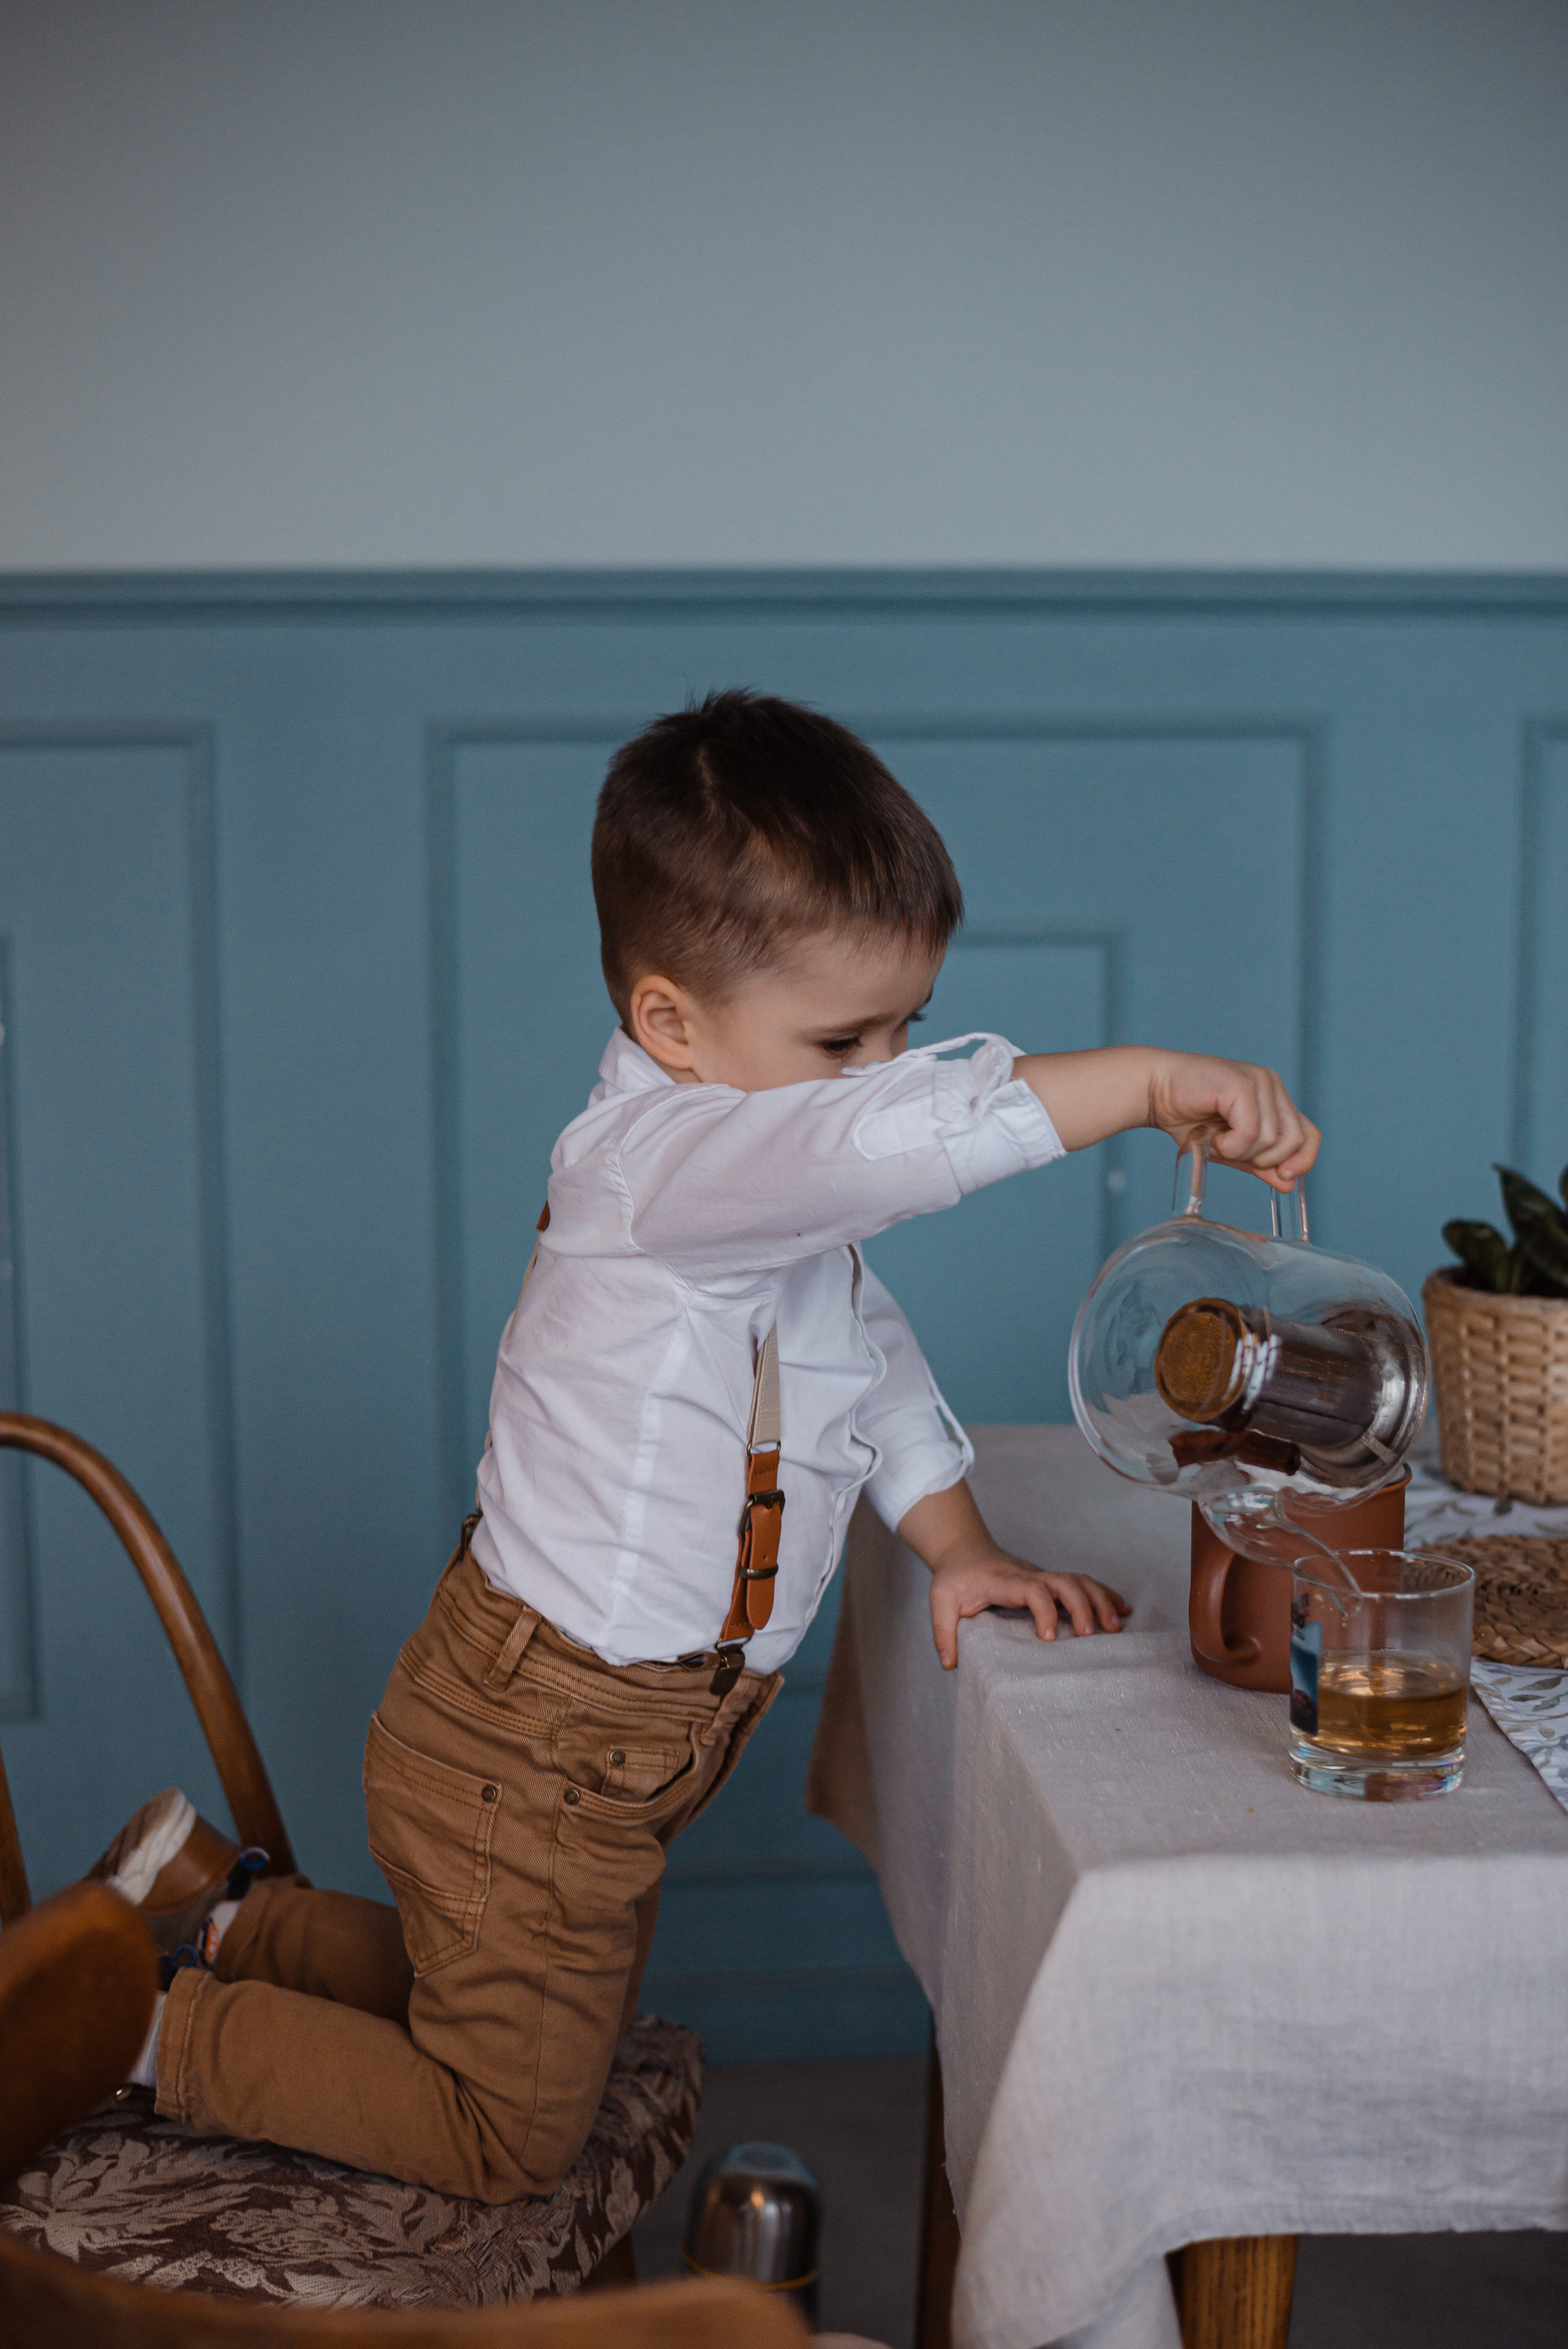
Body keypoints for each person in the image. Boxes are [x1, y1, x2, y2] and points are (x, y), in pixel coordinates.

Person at [90, 692, 1319, 2201]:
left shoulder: (763, 1208)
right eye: (840, 1039)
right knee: (505, 2129)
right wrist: (1133, 1087)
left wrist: (958, 1545)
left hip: (587, 1754)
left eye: (902, 1034)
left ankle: (211, 1904)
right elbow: (879, 1145)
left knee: (515, 1998)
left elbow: (861, 1366)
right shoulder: (660, 1172)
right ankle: (136, 2032)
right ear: (669, 1021)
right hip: (535, 1741)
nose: (878, 1073)